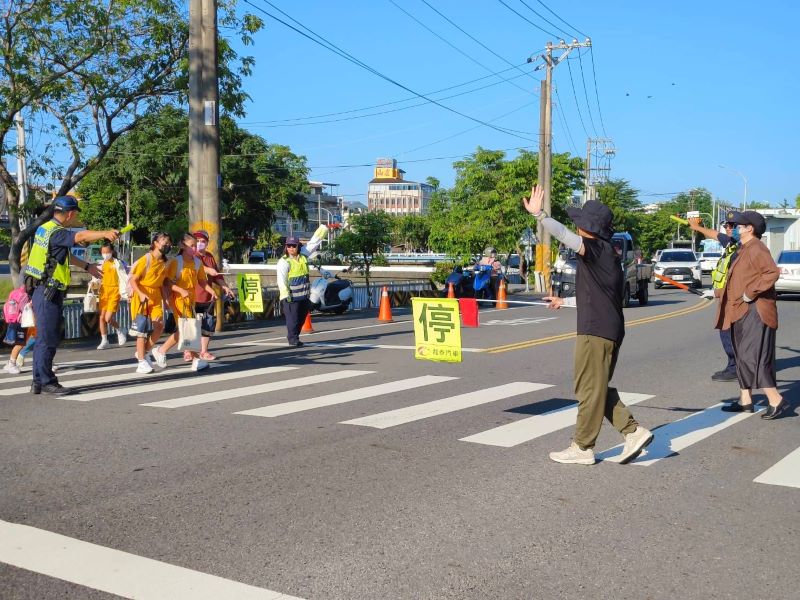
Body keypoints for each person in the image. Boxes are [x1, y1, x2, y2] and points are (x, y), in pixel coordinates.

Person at [523, 185, 653, 465]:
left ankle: (583, 447)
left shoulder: (596, 249)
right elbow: (598, 299)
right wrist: (565, 302)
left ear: (587, 227)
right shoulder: (607, 256)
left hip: (597, 331)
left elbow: (566, 237)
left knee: (587, 389)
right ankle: (632, 432)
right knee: (595, 387)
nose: (576, 226)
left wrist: (541, 216)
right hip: (604, 326)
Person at [23, 196, 118, 395]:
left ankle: (38, 381)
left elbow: (62, 255)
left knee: (44, 337)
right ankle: (48, 381)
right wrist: (105, 233)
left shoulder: (46, 228)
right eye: (75, 215)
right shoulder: (57, 232)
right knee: (48, 338)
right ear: (70, 214)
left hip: (42, 290)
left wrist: (86, 266)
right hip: (48, 290)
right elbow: (81, 237)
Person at [714, 211, 786, 419]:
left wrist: (750, 292)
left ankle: (775, 399)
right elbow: (738, 279)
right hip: (740, 310)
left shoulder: (756, 248)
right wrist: (718, 293)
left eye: (738, 225)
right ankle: (745, 400)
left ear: (749, 228)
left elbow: (771, 272)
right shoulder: (744, 249)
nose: (734, 228)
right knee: (741, 355)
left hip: (756, 310)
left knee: (753, 356)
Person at [151, 233, 218, 372]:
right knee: (188, 328)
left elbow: (201, 281)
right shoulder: (176, 261)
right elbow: (167, 282)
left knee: (186, 329)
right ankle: (195, 360)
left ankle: (161, 350)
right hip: (177, 299)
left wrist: (211, 291)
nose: (195, 248)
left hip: (190, 300)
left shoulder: (197, 262)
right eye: (192, 245)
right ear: (182, 245)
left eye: (195, 245)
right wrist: (180, 290)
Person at [688, 215, 741, 381]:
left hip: (735, 298)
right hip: (725, 296)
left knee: (731, 333)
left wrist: (715, 293)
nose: (728, 228)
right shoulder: (731, 244)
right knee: (726, 332)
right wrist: (697, 227)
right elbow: (714, 234)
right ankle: (735, 365)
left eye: (732, 225)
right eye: (726, 225)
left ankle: (738, 368)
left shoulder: (743, 249)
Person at [185, 229, 233, 362]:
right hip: (193, 296)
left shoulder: (210, 257)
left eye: (203, 241)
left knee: (208, 324)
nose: (200, 244)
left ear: (207, 243)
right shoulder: (190, 256)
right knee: (190, 324)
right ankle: (188, 351)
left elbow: (217, 275)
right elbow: (196, 268)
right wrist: (207, 269)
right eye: (197, 241)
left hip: (208, 297)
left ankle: (204, 351)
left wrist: (225, 287)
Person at [127, 232, 172, 374]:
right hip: (142, 296)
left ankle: (144, 352)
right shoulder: (145, 260)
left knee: (159, 326)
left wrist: (166, 299)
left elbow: (162, 283)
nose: (167, 245)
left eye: (169, 243)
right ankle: (141, 362)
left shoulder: (164, 262)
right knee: (141, 331)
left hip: (156, 296)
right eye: (164, 242)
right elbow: (133, 280)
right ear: (156, 243)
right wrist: (140, 294)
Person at [276, 226, 327, 347]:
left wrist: (324, 229)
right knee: (292, 320)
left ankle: (295, 337)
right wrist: (285, 295)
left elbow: (314, 242)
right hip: (291, 297)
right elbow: (281, 280)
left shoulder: (303, 255)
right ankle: (292, 339)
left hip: (303, 296)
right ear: (286, 247)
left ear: (298, 246)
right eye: (289, 246)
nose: (291, 248)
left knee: (301, 318)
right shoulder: (284, 262)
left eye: (294, 245)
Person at [96, 241, 127, 350]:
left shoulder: (117, 262)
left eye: (107, 252)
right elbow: (98, 276)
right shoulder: (102, 263)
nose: (105, 254)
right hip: (104, 291)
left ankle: (120, 330)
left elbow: (124, 276)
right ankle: (104, 340)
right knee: (101, 317)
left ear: (112, 251)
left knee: (108, 318)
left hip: (114, 291)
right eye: (103, 252)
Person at [3, 285, 30, 374]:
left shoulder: (15, 293)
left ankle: (11, 363)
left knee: (21, 343)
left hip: (14, 321)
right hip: (20, 322)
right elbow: (24, 308)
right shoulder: (25, 295)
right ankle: (11, 364)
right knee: (20, 343)